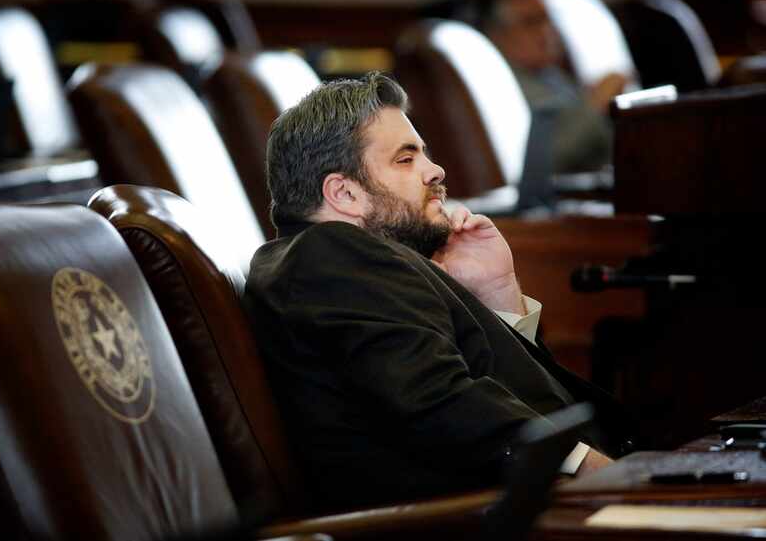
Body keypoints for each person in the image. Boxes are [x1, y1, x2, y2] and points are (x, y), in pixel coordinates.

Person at [242, 72, 635, 511]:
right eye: (406, 159)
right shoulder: (328, 255)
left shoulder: (354, 263)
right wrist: (605, 477)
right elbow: (440, 402)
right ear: (344, 192)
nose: (436, 170)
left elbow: (490, 391)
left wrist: (497, 294)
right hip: (477, 519)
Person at [480, 0, 628, 174]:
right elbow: (545, 162)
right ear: (499, 35)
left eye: (547, 20)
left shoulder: (551, 74)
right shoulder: (498, 87)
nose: (546, 31)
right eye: (531, 22)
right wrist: (596, 104)